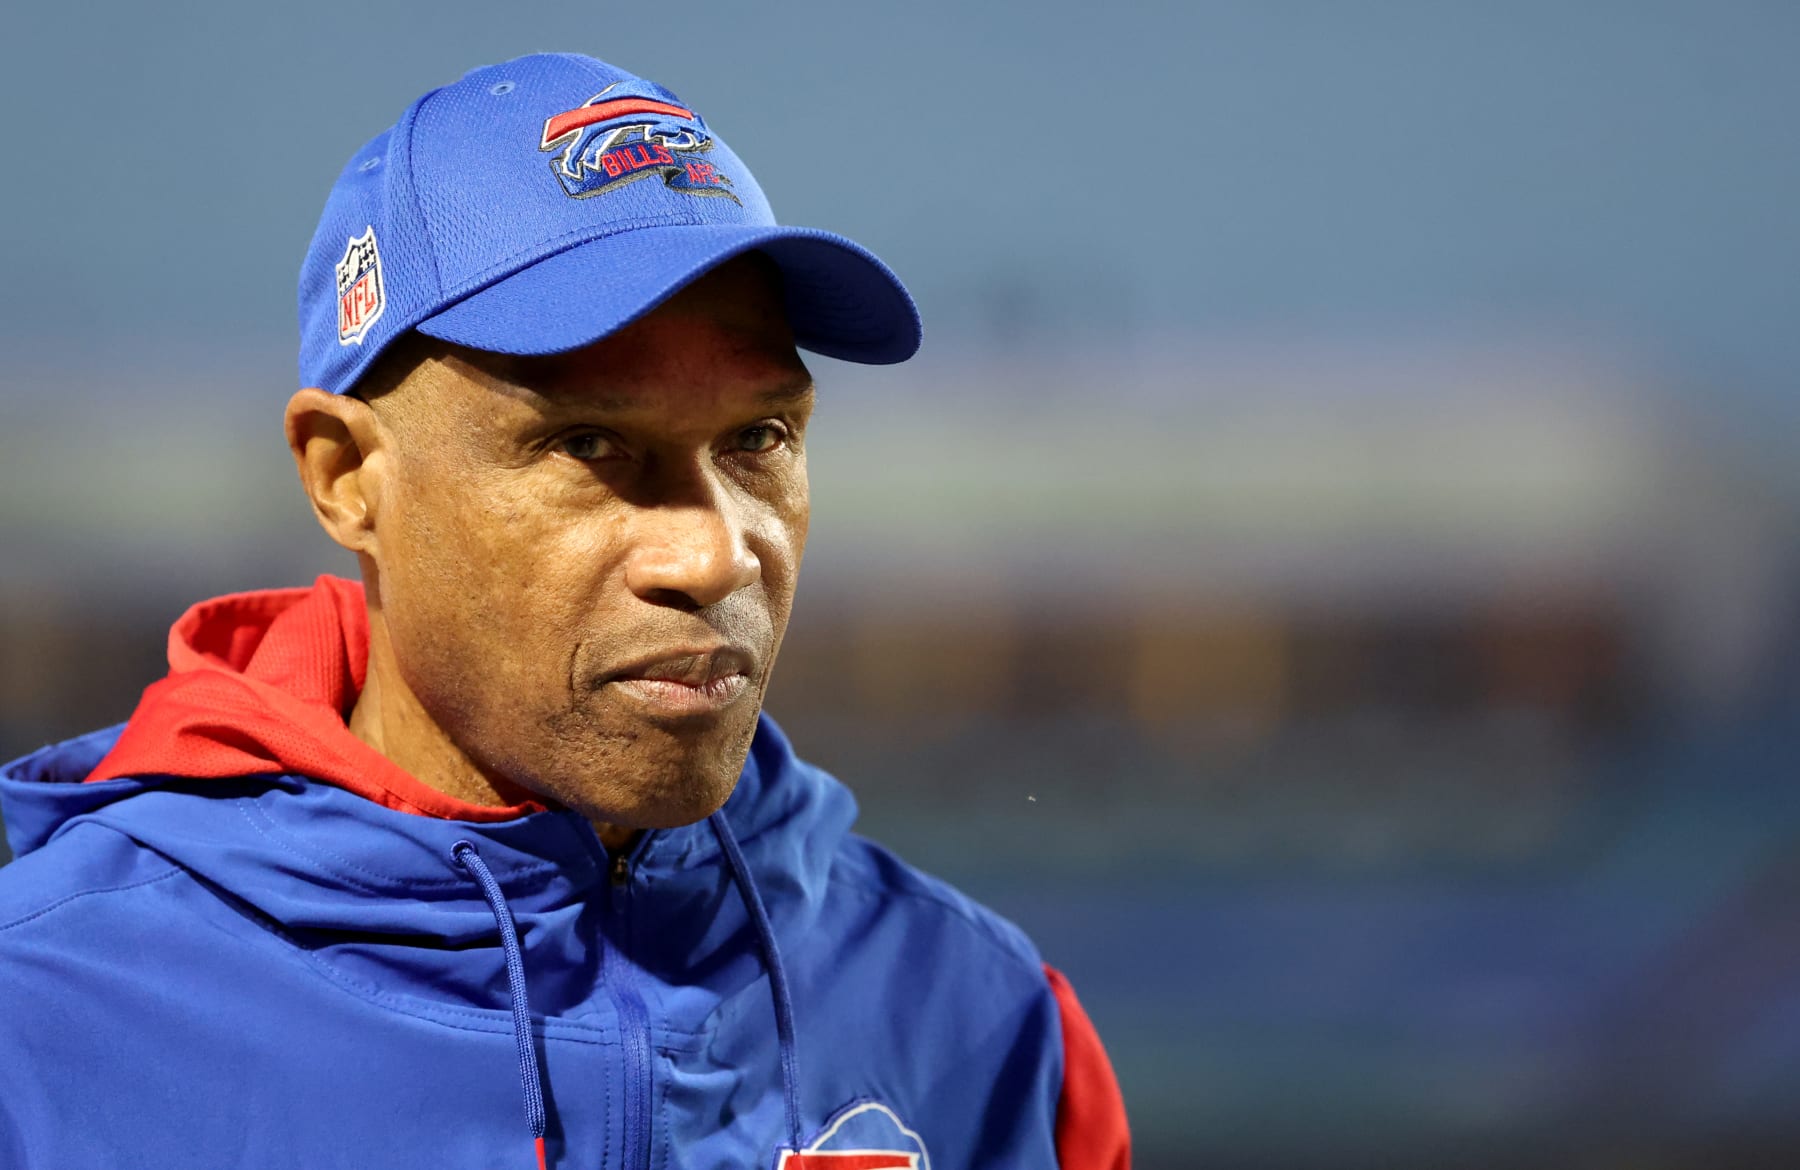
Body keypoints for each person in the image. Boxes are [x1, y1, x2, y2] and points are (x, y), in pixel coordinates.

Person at [0, 51, 1128, 1169]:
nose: (714, 552)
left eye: (759, 440)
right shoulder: (44, 1022)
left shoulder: (988, 1026)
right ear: (347, 477)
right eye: (589, 446)